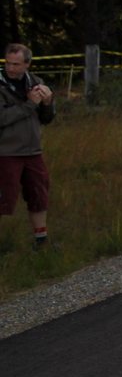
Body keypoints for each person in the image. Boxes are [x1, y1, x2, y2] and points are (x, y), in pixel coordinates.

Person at [1, 43, 56, 248]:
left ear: (27, 64)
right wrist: (30, 104)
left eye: (16, 64)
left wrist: (48, 102)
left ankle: (41, 240)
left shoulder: (35, 82)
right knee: (4, 197)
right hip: (6, 152)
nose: (11, 68)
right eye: (8, 63)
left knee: (38, 194)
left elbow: (47, 119)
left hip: (33, 150)